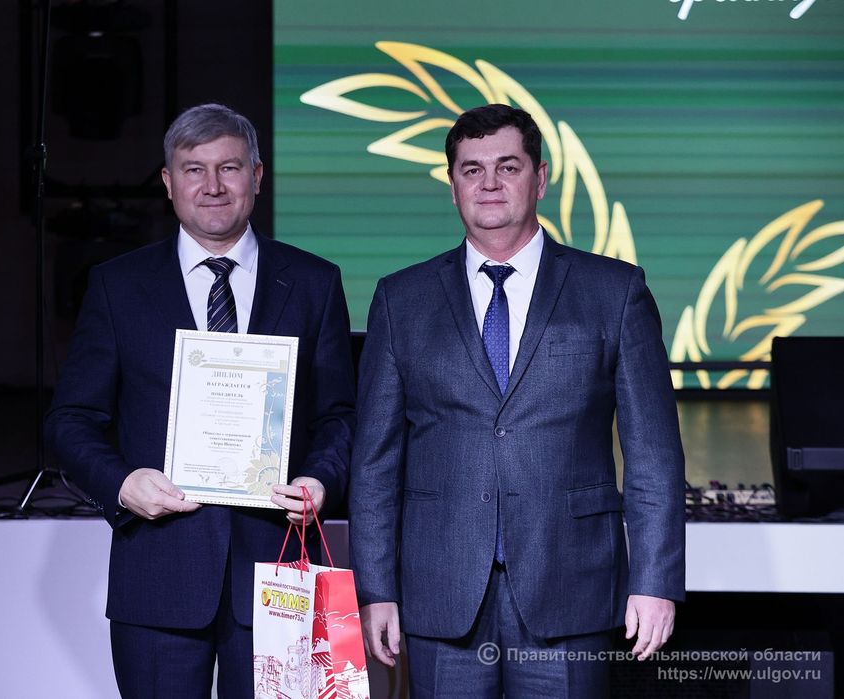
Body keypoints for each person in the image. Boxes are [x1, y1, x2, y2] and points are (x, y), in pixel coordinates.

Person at [349, 103, 685, 698]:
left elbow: (653, 454)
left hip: (571, 584)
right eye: (472, 170)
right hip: (439, 591)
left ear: (541, 177)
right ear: (452, 184)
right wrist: (375, 589)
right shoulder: (401, 299)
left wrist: (655, 580)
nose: (490, 183)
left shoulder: (614, 292)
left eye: (508, 166)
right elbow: (375, 461)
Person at [46, 103, 355, 698]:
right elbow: (71, 420)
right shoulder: (117, 285)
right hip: (157, 570)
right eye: (194, 170)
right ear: (168, 182)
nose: (212, 186)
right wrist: (121, 484)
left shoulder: (314, 282)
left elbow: (339, 414)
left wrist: (321, 480)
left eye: (229, 168)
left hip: (279, 568)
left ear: (257, 176)